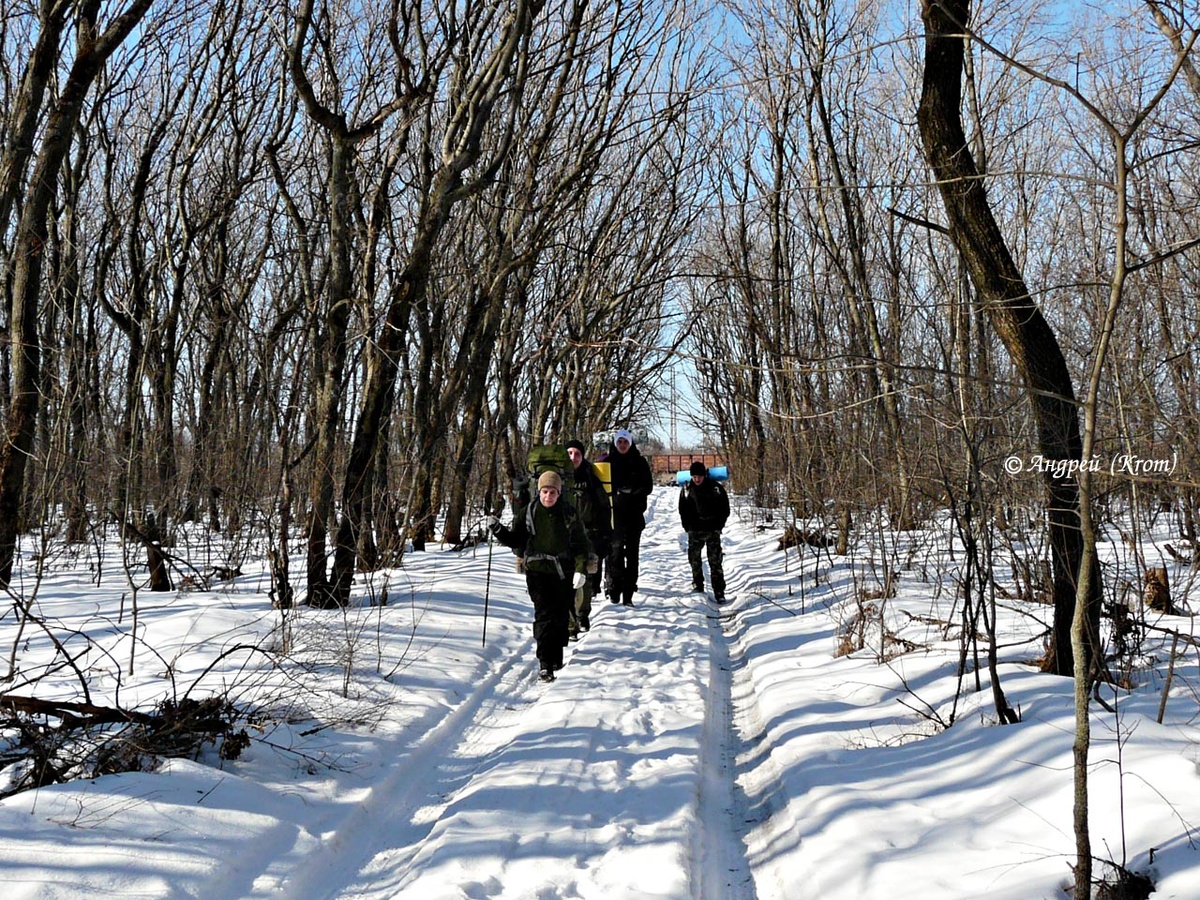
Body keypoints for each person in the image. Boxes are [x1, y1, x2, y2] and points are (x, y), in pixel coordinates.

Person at [489, 471, 590, 682]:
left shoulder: (569, 513)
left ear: (559, 493)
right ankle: (545, 663)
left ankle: (556, 655)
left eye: (553, 492)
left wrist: (580, 569)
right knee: (544, 616)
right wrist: (497, 529)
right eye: (545, 492)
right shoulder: (529, 512)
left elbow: (581, 545)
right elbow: (516, 540)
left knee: (561, 616)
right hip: (537, 572)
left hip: (563, 572)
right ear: (539, 492)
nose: (548, 496)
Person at [564, 439, 613, 636]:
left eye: (577, 453)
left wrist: (606, 535)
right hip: (564, 535)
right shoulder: (559, 477)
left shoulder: (591, 478)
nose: (573, 457)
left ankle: (582, 614)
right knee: (567, 578)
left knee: (584, 577)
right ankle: (570, 622)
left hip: (588, 535)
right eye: (569, 453)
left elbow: (604, 507)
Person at [602, 428, 653, 606]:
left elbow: (648, 486)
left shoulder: (639, 462)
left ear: (630, 444)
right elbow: (600, 488)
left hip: (633, 515)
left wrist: (633, 494)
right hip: (614, 517)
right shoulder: (608, 462)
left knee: (632, 555)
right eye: (620, 442)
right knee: (615, 554)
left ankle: (628, 594)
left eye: (625, 442)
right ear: (615, 443)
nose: (623, 445)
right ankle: (615, 589)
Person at [678, 461, 730, 603]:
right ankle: (698, 584)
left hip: (712, 530)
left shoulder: (716, 488)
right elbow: (682, 509)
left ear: (704, 475)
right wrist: (687, 527)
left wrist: (719, 526)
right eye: (694, 476)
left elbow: (725, 509)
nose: (697, 479)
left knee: (715, 562)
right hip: (694, 530)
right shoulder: (687, 490)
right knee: (694, 560)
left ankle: (719, 591)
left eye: (699, 476)